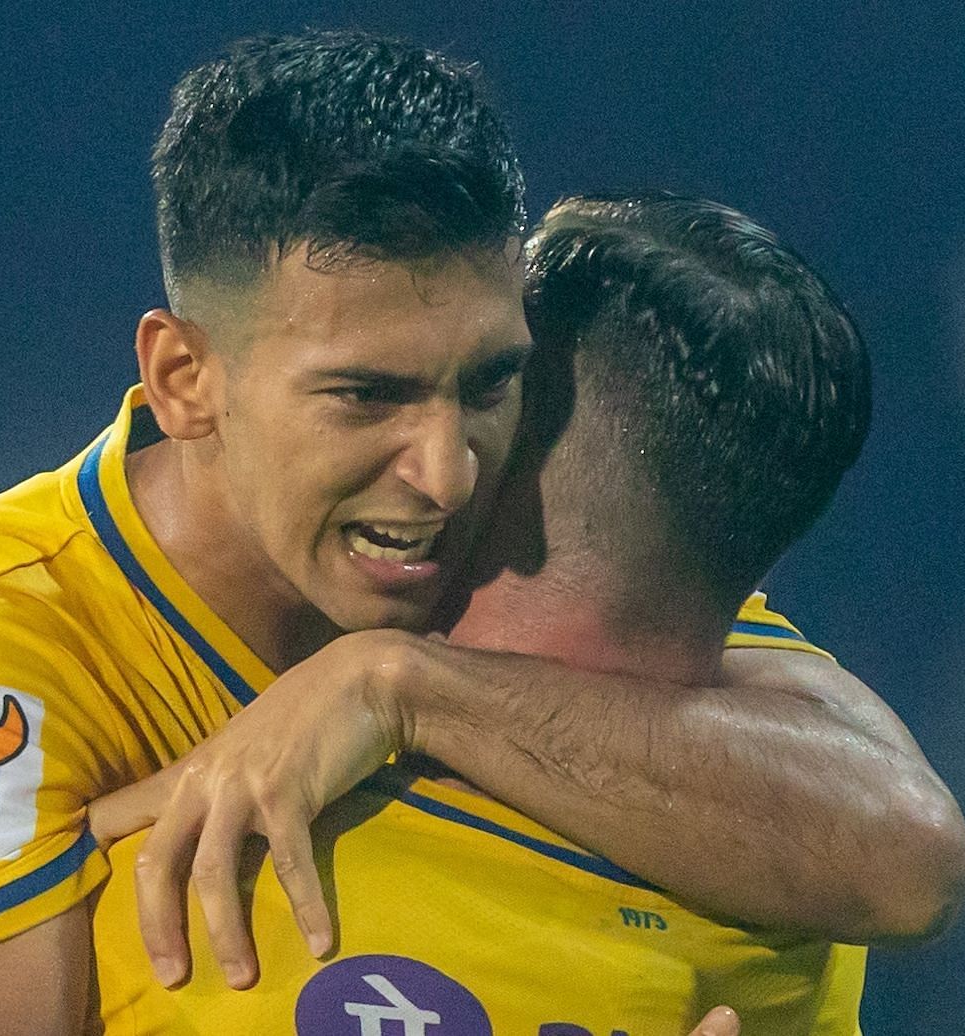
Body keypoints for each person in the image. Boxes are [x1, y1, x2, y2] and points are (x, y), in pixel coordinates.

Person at [0, 31, 965, 1033]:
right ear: (184, 377)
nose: (447, 466)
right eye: (367, 395)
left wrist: (398, 682)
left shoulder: (495, 542)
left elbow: (903, 848)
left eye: (489, 380)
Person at [70, 194, 916, 1035]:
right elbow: (913, 851)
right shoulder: (797, 886)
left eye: (482, 385)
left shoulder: (186, 866)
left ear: (512, 444)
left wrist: (396, 682)